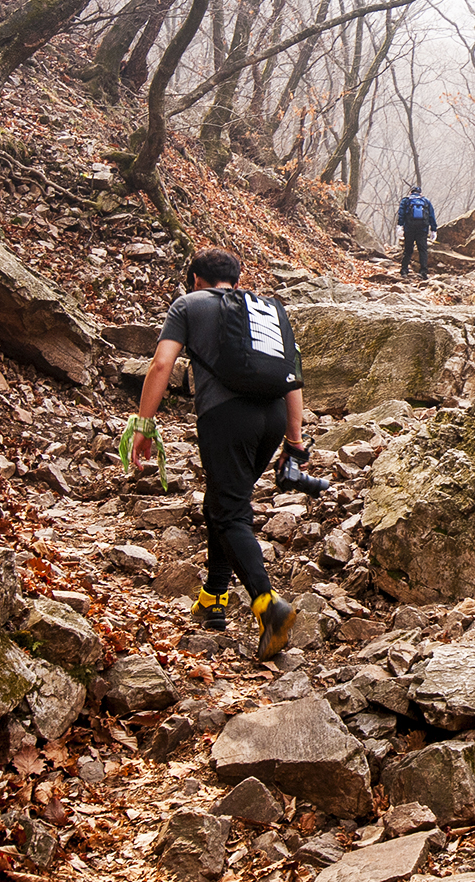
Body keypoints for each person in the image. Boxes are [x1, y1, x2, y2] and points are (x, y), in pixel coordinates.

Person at [126, 247, 325, 661]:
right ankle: (214, 597)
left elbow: (161, 365)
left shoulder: (189, 304)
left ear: (196, 279)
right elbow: (292, 377)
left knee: (229, 512)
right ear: (236, 280)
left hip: (226, 417)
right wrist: (294, 441)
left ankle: (268, 605)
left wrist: (144, 425)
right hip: (272, 418)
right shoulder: (266, 311)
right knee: (222, 501)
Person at [396, 183, 437, 279]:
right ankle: (423, 272)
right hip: (422, 229)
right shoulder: (426, 201)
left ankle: (404, 270)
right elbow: (431, 216)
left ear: (410, 193)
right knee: (423, 250)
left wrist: (400, 226)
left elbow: (401, 214)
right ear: (420, 193)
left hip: (409, 228)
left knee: (408, 250)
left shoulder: (406, 200)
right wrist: (433, 230)